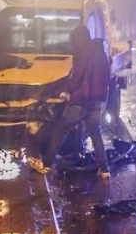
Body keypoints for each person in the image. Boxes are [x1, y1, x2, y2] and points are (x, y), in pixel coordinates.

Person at [28, 25, 110, 179]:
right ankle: (105, 170)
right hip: (96, 101)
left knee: (60, 129)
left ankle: (46, 163)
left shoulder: (80, 53)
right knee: (95, 134)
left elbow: (77, 77)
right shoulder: (100, 53)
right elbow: (105, 76)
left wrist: (68, 91)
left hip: (80, 100)